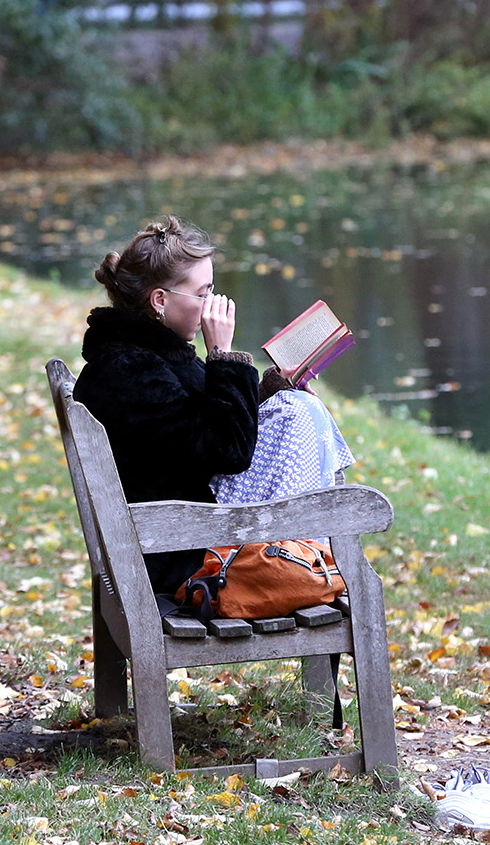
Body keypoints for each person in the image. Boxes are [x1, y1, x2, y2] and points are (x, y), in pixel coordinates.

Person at [73, 215, 356, 596]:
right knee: (298, 415)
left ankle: (305, 555)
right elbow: (228, 452)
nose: (213, 306)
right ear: (160, 300)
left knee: (295, 406)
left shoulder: (150, 353)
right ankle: (305, 559)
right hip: (182, 552)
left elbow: (198, 424)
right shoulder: (130, 371)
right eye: (203, 294)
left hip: (183, 528)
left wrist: (272, 388)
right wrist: (221, 355)